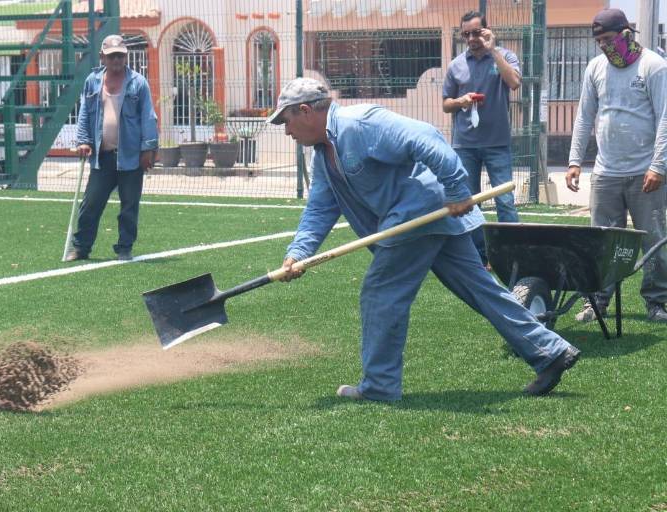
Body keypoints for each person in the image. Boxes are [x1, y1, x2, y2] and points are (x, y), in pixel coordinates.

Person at [268, 77, 580, 401]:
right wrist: (297, 254)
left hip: (416, 215)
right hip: (429, 217)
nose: (287, 131)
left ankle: (379, 386)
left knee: (380, 293)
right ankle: (550, 351)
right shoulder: (324, 156)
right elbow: (320, 208)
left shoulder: (359, 123)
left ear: (305, 111)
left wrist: (459, 189)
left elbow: (425, 138)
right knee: (482, 290)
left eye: (286, 121)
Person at [565, 9, 667, 323]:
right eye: (598, 41)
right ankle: (597, 302)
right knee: (602, 240)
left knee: (653, 240)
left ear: (626, 33)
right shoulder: (595, 68)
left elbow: (665, 116)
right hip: (605, 172)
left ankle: (657, 302)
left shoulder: (654, 65)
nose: (602, 47)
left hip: (644, 173)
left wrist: (659, 165)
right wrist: (574, 160)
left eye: (607, 39)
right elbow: (584, 116)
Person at [66, 34, 159, 262]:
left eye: (120, 55)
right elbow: (85, 114)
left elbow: (148, 117)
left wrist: (148, 150)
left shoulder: (138, 83)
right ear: (102, 57)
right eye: (112, 56)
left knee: (129, 207)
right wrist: (83, 141)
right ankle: (81, 248)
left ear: (126, 56)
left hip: (130, 157)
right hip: (102, 157)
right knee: (90, 205)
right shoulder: (92, 81)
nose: (116, 60)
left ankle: (124, 248)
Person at [442, 10, 521, 265]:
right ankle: (480, 257)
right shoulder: (456, 65)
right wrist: (460, 101)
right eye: (467, 34)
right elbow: (445, 104)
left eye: (477, 32)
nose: (472, 38)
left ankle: (512, 256)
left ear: (487, 31)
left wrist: (493, 50)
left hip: (497, 143)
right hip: (465, 145)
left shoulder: (504, 56)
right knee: (469, 202)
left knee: (505, 202)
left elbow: (514, 83)